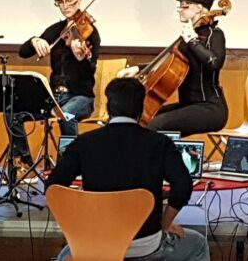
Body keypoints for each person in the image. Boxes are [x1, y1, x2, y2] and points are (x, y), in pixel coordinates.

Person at [47, 78, 209, 261]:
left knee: (64, 256)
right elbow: (183, 185)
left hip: (94, 244)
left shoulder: (83, 143)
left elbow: (53, 187)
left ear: (109, 108)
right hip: (145, 246)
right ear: (141, 109)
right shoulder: (160, 143)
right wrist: (165, 223)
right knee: (198, 244)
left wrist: (77, 228)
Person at [9, 0, 101, 180]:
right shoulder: (55, 30)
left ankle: (69, 169)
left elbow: (90, 69)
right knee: (13, 113)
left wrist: (81, 55)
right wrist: (35, 40)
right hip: (53, 97)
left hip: (81, 98)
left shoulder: (91, 33)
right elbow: (23, 53)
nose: (65, 5)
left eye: (70, 0)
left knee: (65, 114)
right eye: (60, 1)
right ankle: (24, 163)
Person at [118, 0, 227, 137]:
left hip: (210, 108)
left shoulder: (214, 34)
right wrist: (138, 68)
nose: (180, 10)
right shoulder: (189, 34)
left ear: (198, 8)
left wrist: (192, 41)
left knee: (155, 125)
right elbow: (171, 64)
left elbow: (214, 63)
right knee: (139, 119)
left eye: (185, 6)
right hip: (189, 105)